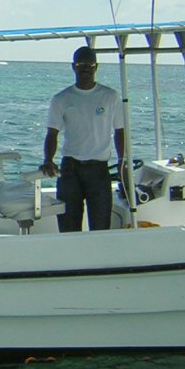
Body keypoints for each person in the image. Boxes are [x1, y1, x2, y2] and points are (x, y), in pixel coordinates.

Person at [41, 46, 124, 232]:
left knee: (101, 228)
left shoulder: (110, 97)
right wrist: (48, 159)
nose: (85, 69)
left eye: (89, 65)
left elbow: (120, 130)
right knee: (68, 228)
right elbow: (52, 133)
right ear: (73, 67)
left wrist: (122, 161)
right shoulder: (61, 99)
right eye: (80, 65)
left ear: (96, 67)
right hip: (70, 170)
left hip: (99, 171)